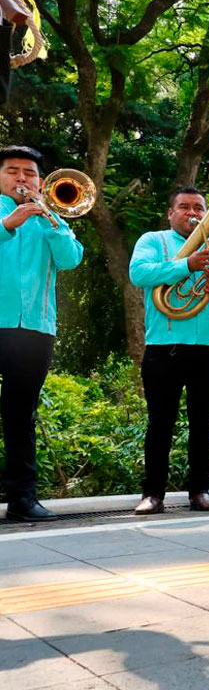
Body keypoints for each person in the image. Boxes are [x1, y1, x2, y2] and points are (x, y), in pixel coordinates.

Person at [129, 186, 209, 515]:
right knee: (160, 423)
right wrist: (188, 264)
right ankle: (152, 494)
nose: (193, 213)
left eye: (199, 207)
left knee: (203, 424)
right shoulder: (153, 241)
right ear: (170, 213)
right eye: (184, 207)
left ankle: (200, 491)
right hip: (163, 347)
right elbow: (138, 274)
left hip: (208, 348)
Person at [0, 146, 83, 522]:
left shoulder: (51, 218)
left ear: (41, 181)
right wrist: (8, 224)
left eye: (29, 173)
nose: (22, 178)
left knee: (22, 416)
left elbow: (71, 259)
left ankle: (22, 499)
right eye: (12, 171)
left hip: (35, 329)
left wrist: (51, 220)